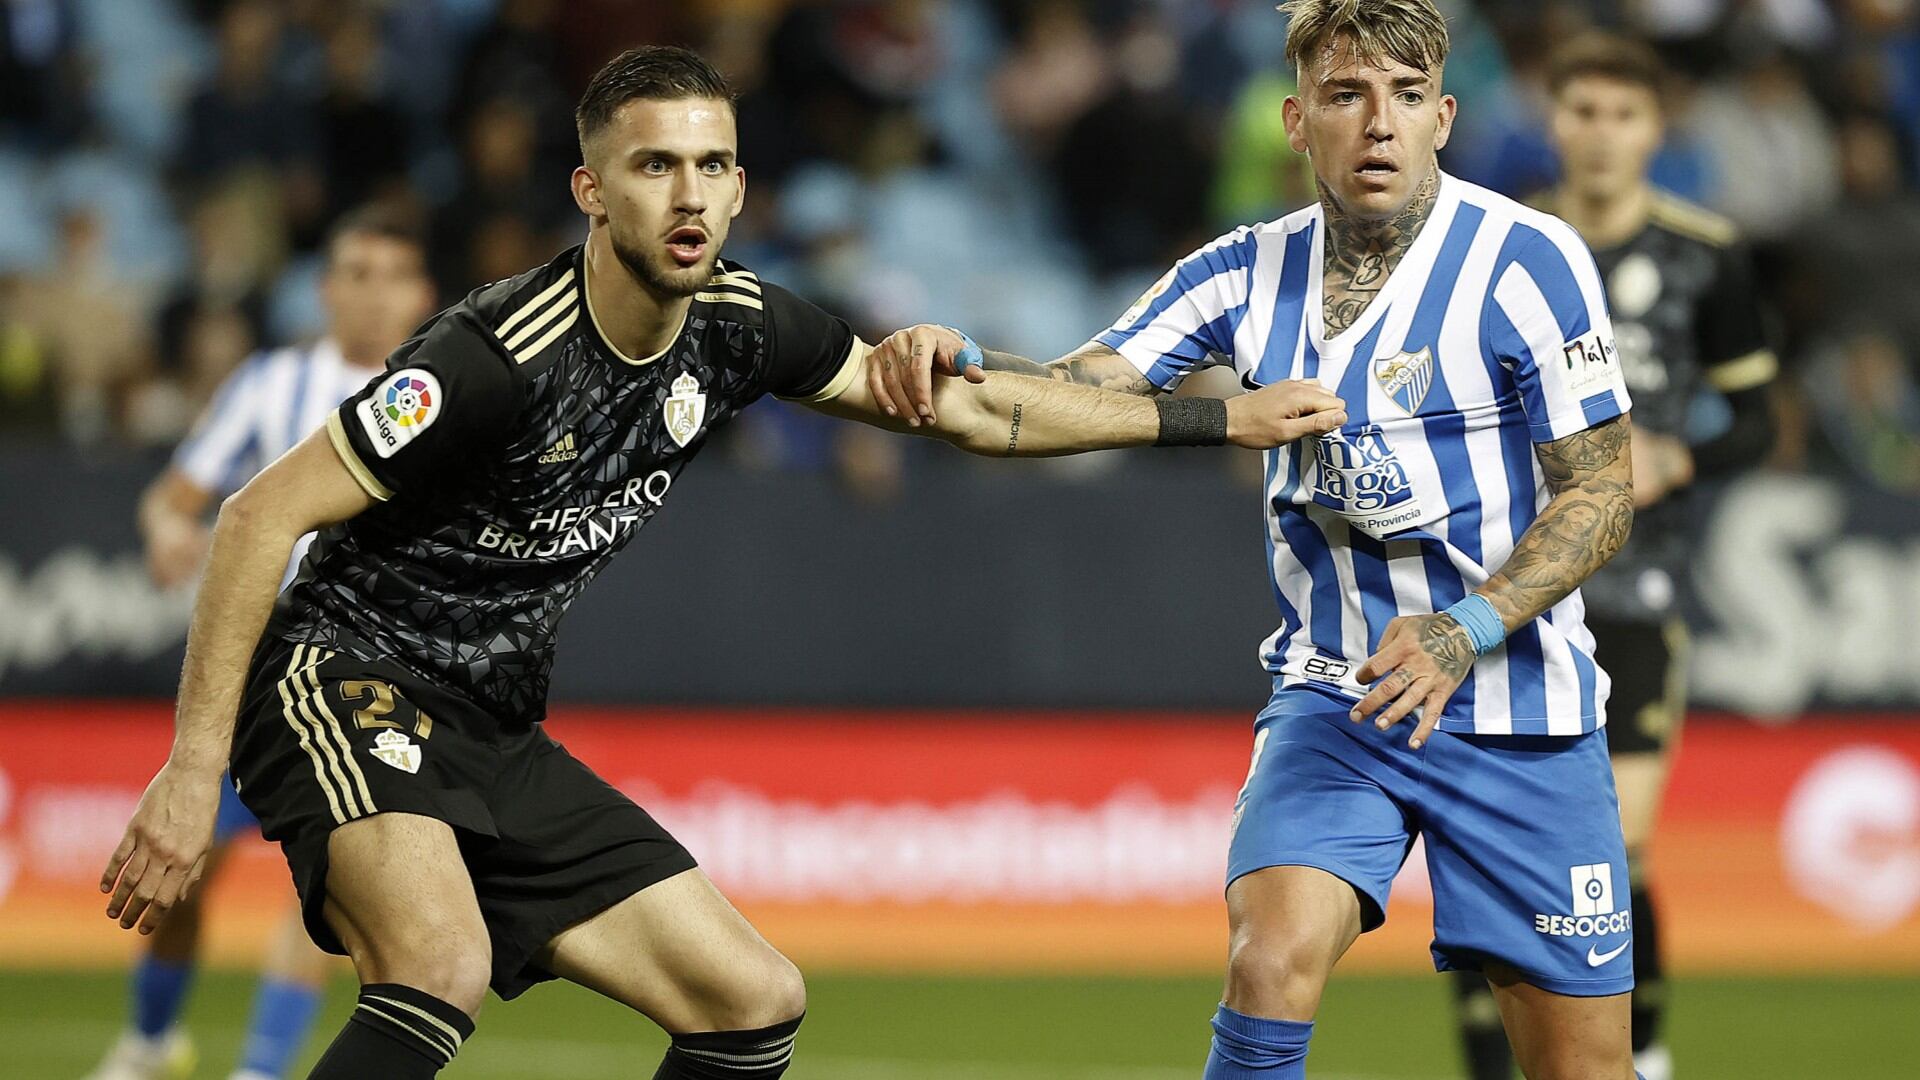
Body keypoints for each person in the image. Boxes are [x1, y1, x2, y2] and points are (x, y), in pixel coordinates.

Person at [96, 45, 1345, 1080]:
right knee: (439, 965)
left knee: (750, 1002)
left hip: (491, 722)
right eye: (653, 166)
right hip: (345, 675)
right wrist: (190, 772)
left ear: (741, 187)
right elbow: (257, 516)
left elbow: (968, 410)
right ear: (592, 191)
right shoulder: (495, 355)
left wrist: (1213, 419)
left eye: (710, 166)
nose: (687, 195)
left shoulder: (742, 327)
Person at [877, 1, 1646, 1076]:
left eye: (1407, 97)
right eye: (1347, 95)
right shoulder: (1241, 271)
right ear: (1295, 121)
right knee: (1268, 963)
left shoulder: (1526, 261)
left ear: (1443, 118)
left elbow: (1602, 492)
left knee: (1582, 1068)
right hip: (1337, 700)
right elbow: (1073, 387)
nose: (1378, 123)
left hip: (1520, 709)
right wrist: (960, 357)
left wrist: (1462, 629)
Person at [1447, 33, 1776, 1080]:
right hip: (1508, 585)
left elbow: (1761, 421)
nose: (1600, 135)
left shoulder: (1704, 254)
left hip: (1634, 588)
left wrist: (1681, 458)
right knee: (1483, 845)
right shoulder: (1498, 244)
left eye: (1623, 115)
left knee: (1615, 847)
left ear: (1654, 130)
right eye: (1582, 111)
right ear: (1553, 120)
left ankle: (1646, 1055)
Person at [89, 206, 437, 1080]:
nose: (373, 293)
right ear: (324, 289)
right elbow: (173, 494)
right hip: (250, 681)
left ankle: (261, 1069)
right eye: (356, 272)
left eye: (393, 275)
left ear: (422, 294)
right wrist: (166, 527)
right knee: (181, 874)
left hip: (370, 679)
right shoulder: (270, 384)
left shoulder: (441, 394)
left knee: (327, 884)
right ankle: (150, 1039)